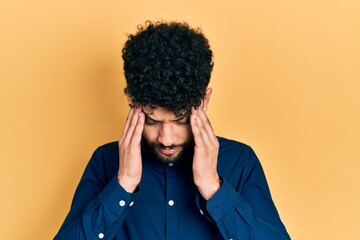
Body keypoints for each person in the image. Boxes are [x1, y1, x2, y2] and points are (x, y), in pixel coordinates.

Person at [54, 21, 290, 240]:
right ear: (134, 105)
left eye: (181, 120)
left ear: (204, 101)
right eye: (151, 121)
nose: (166, 139)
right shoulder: (105, 162)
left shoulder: (240, 162)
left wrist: (213, 189)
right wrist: (123, 185)